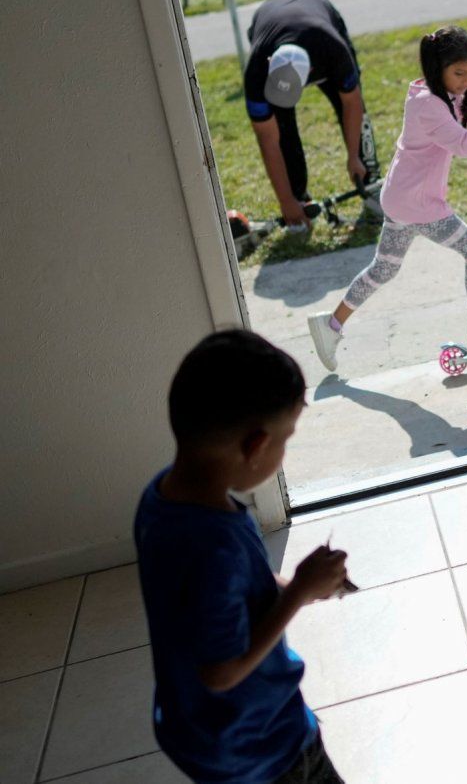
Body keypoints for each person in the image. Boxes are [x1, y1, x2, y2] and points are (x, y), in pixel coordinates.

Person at [134, 329, 349, 784]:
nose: (284, 452)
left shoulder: (162, 498)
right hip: (258, 747)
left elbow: (218, 598)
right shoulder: (215, 544)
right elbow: (220, 671)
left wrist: (299, 587)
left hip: (198, 730)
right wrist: (296, 598)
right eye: (285, 440)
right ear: (255, 446)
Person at [307, 25, 467, 371]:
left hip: (402, 197)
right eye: (459, 73)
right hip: (418, 205)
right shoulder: (429, 104)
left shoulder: (440, 95)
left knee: (384, 268)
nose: (466, 81)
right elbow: (466, 144)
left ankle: (331, 324)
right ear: (436, 67)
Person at [244, 0, 378, 229]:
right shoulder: (256, 71)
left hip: (318, 11)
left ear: (313, 72)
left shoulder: (334, 52)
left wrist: (353, 156)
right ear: (269, 64)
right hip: (267, 18)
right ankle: (298, 201)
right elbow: (267, 139)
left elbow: (352, 103)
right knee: (282, 127)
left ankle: (370, 181)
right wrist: (286, 201)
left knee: (354, 108)